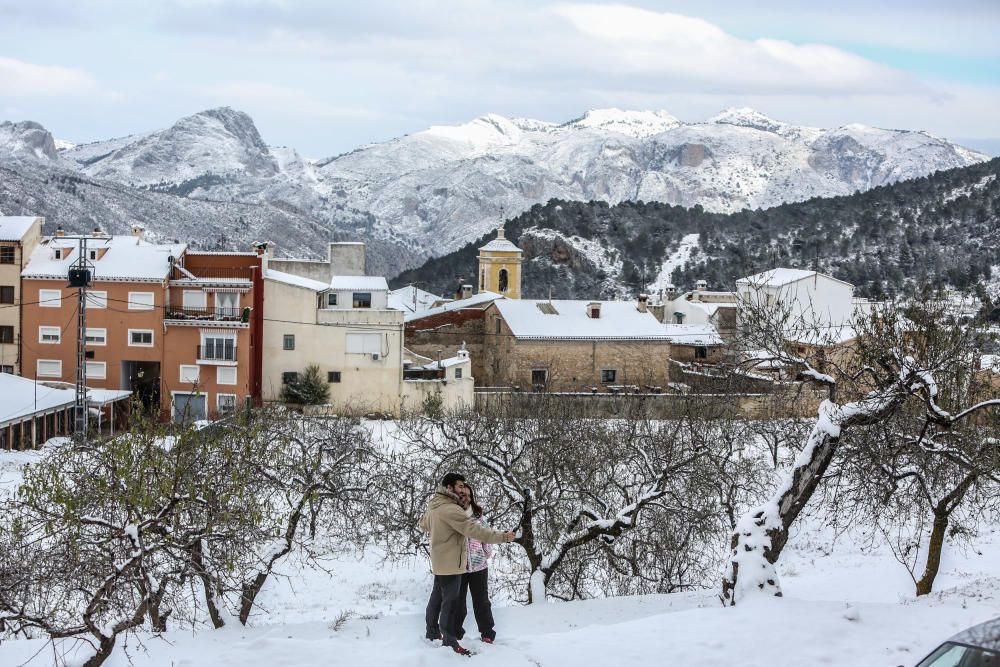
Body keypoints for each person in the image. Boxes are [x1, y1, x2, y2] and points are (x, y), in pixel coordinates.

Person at [420, 472, 515, 656]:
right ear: (449, 488)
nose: (463, 489)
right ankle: (449, 640)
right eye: (460, 486)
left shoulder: (435, 505)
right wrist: (503, 537)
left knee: (438, 599)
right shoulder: (451, 509)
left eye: (465, 487)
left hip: (442, 562)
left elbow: (423, 524)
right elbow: (475, 531)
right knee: (451, 603)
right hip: (453, 564)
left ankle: (432, 631)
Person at [456, 483, 497, 644]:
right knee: (458, 603)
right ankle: (455, 632)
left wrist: (485, 553)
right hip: (458, 567)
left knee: (482, 601)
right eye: (462, 495)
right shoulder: (453, 516)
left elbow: (487, 535)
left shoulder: (478, 517)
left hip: (479, 566)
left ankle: (487, 632)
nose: (465, 498)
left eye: (468, 495)